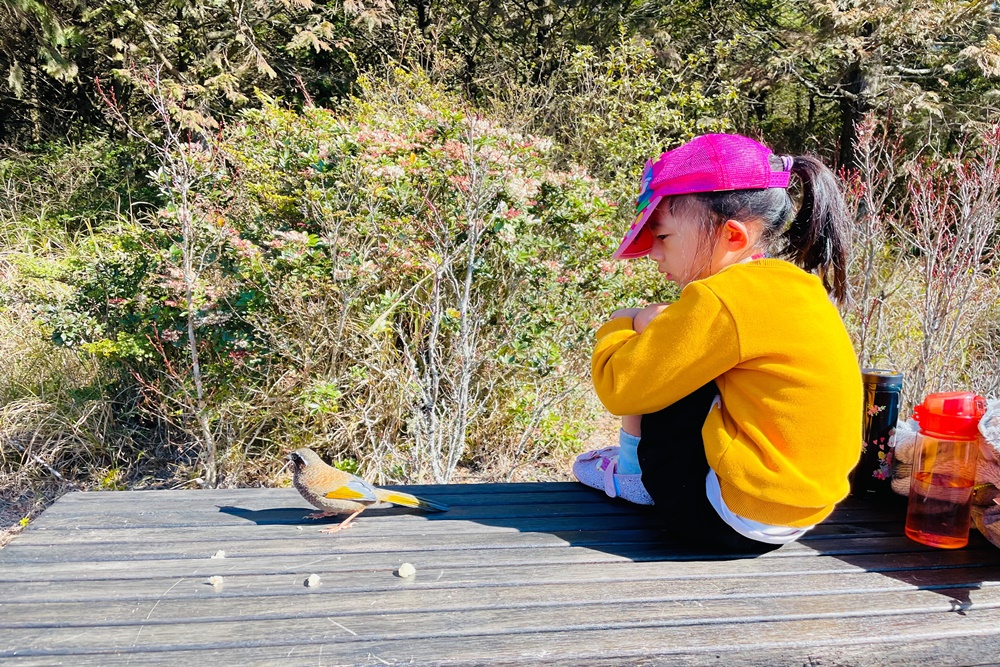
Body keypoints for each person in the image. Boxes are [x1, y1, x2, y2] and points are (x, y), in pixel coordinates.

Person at [573, 133, 862, 554]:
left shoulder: (721, 299)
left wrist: (623, 325)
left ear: (732, 236)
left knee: (659, 350)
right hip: (795, 514)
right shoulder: (796, 288)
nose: (654, 253)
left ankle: (633, 475)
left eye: (664, 237)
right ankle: (642, 466)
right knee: (680, 342)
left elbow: (620, 388)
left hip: (720, 516)